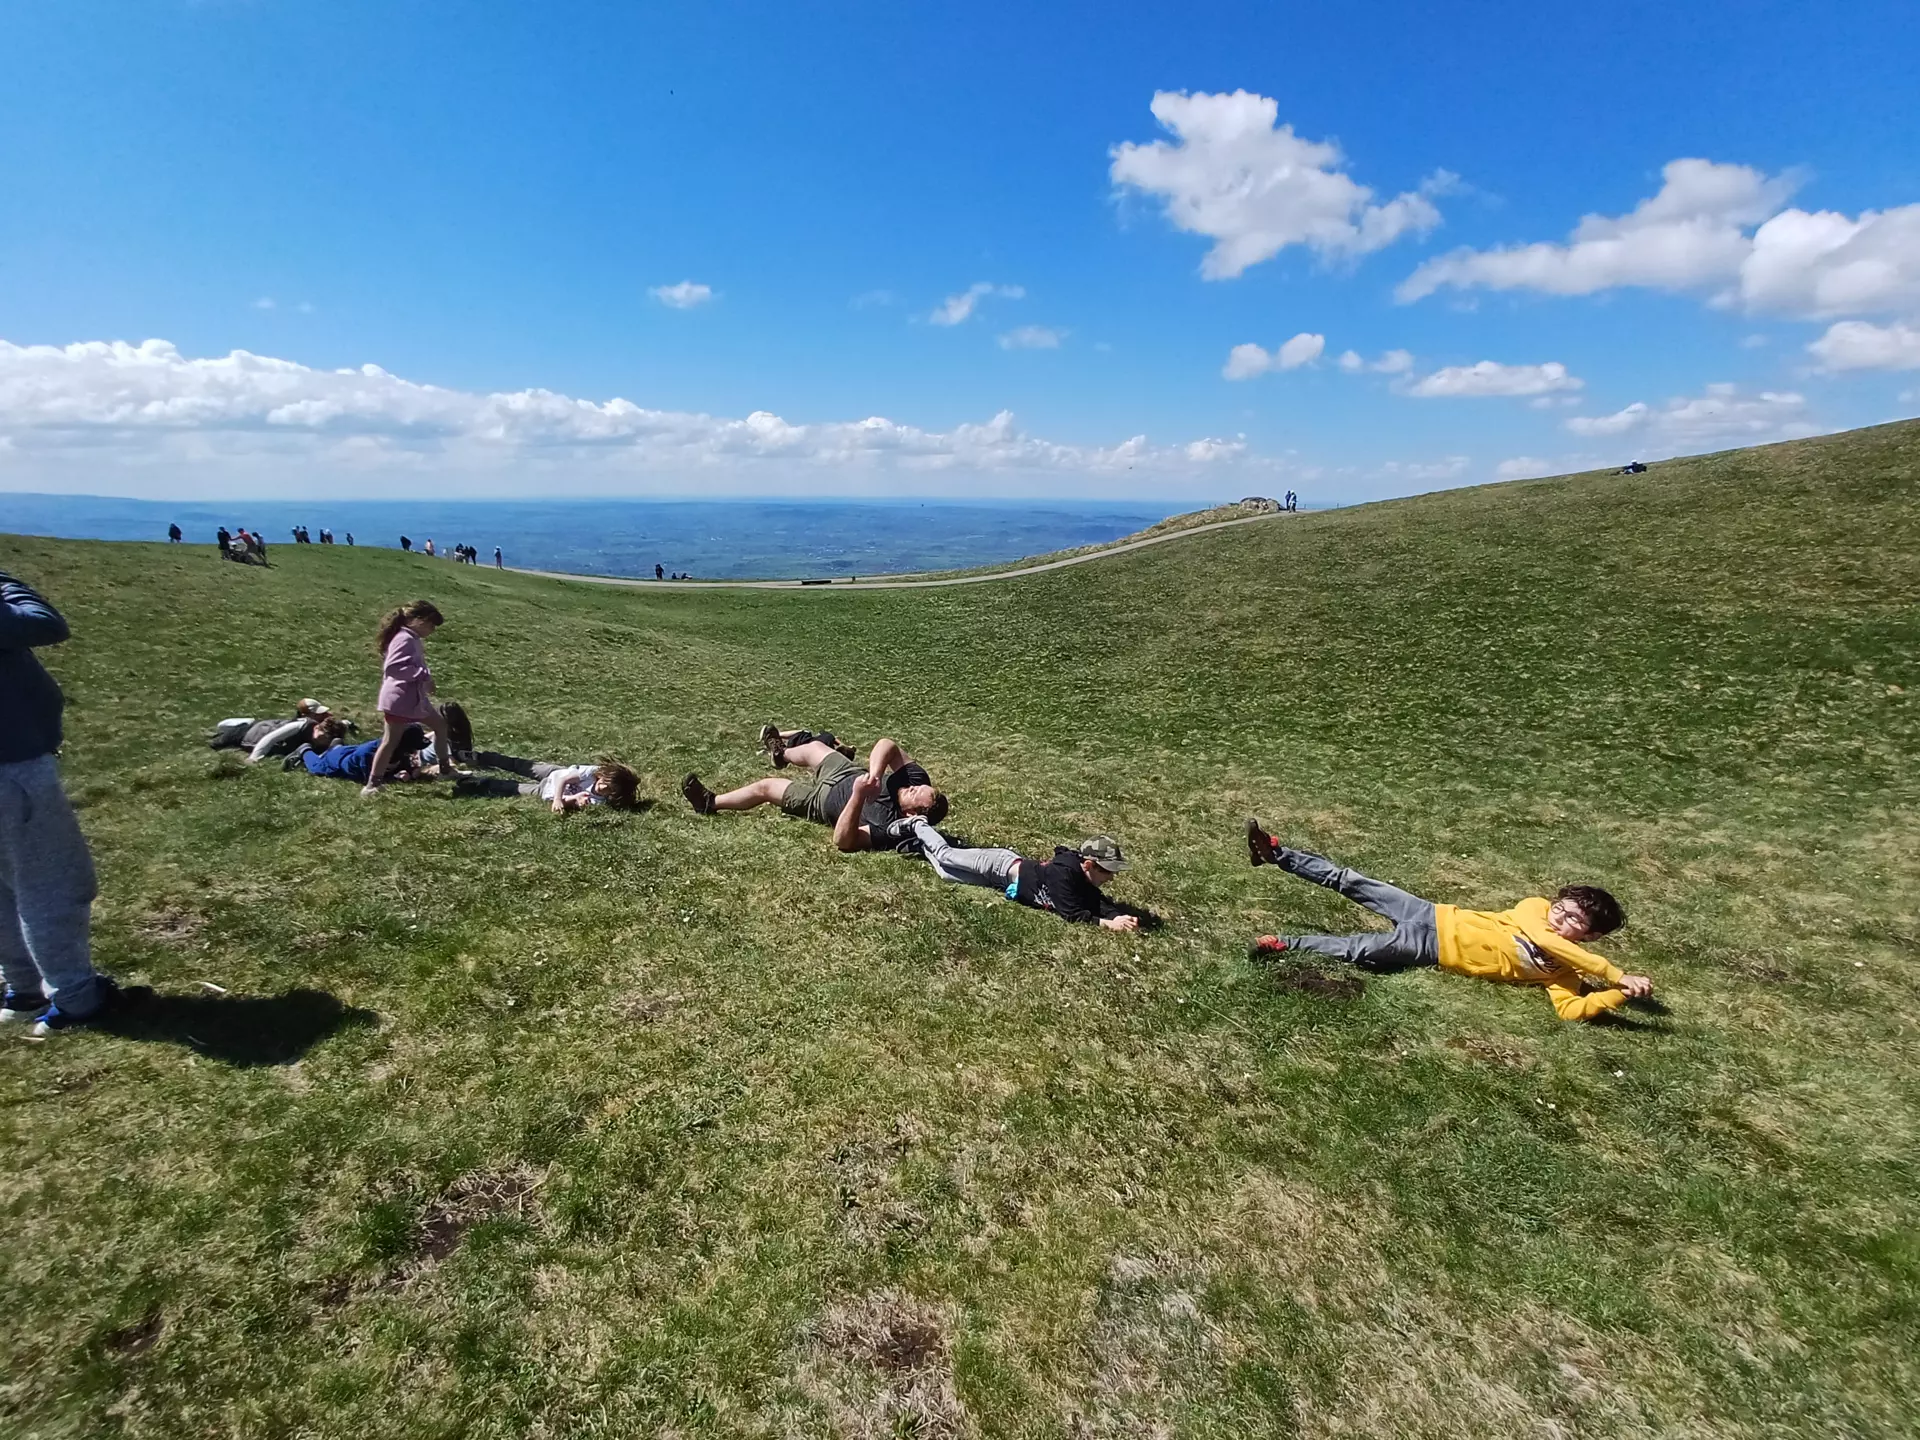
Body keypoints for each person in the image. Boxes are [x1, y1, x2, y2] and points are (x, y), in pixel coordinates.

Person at [1243, 821, 1651, 1020]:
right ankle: (1276, 854)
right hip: (1430, 913)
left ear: (1592, 935)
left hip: (1431, 950)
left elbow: (1570, 1011)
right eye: (1559, 907)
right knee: (1350, 881)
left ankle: (1282, 945)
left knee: (1357, 949)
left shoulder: (1563, 974)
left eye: (1572, 919)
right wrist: (1615, 974)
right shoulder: (1533, 911)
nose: (1558, 916)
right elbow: (1549, 940)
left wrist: (1619, 995)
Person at [0, 569, 113, 1035]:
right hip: (12, 764)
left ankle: (22, 987)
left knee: (5, 883)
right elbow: (44, 622)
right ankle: (75, 998)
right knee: (49, 883)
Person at [682, 733, 946, 852]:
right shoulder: (917, 779)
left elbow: (844, 841)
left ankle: (710, 803)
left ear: (911, 813)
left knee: (766, 787)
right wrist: (875, 776)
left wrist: (857, 795)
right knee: (814, 748)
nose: (911, 787)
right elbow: (887, 745)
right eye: (916, 786)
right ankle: (781, 753)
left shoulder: (889, 828)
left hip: (821, 802)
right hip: (845, 772)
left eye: (914, 794)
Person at [900, 821, 1154, 931]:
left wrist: (1117, 915)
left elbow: (1096, 901)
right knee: (946, 856)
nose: (1111, 877)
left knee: (945, 874)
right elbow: (1072, 914)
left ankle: (919, 845)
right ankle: (918, 825)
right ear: (1088, 864)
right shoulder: (1063, 874)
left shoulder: (1083, 880)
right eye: (1107, 871)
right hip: (998, 865)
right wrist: (1109, 925)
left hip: (1000, 882)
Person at [362, 601, 458, 798]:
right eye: (431, 625)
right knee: (390, 741)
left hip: (413, 698)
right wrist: (424, 675)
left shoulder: (410, 637)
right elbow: (394, 668)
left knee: (440, 725)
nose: (432, 630)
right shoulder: (404, 638)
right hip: (400, 699)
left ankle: (446, 770)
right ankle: (372, 785)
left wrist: (424, 679)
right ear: (418, 620)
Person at [458, 751, 642, 812]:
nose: (602, 788)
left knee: (511, 788)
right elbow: (564, 778)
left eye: (608, 790)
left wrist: (573, 800)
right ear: (604, 776)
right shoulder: (592, 772)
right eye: (605, 783)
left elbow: (568, 803)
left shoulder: (598, 801)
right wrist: (557, 798)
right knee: (520, 765)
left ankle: (474, 783)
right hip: (554, 774)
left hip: (544, 791)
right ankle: (482, 757)